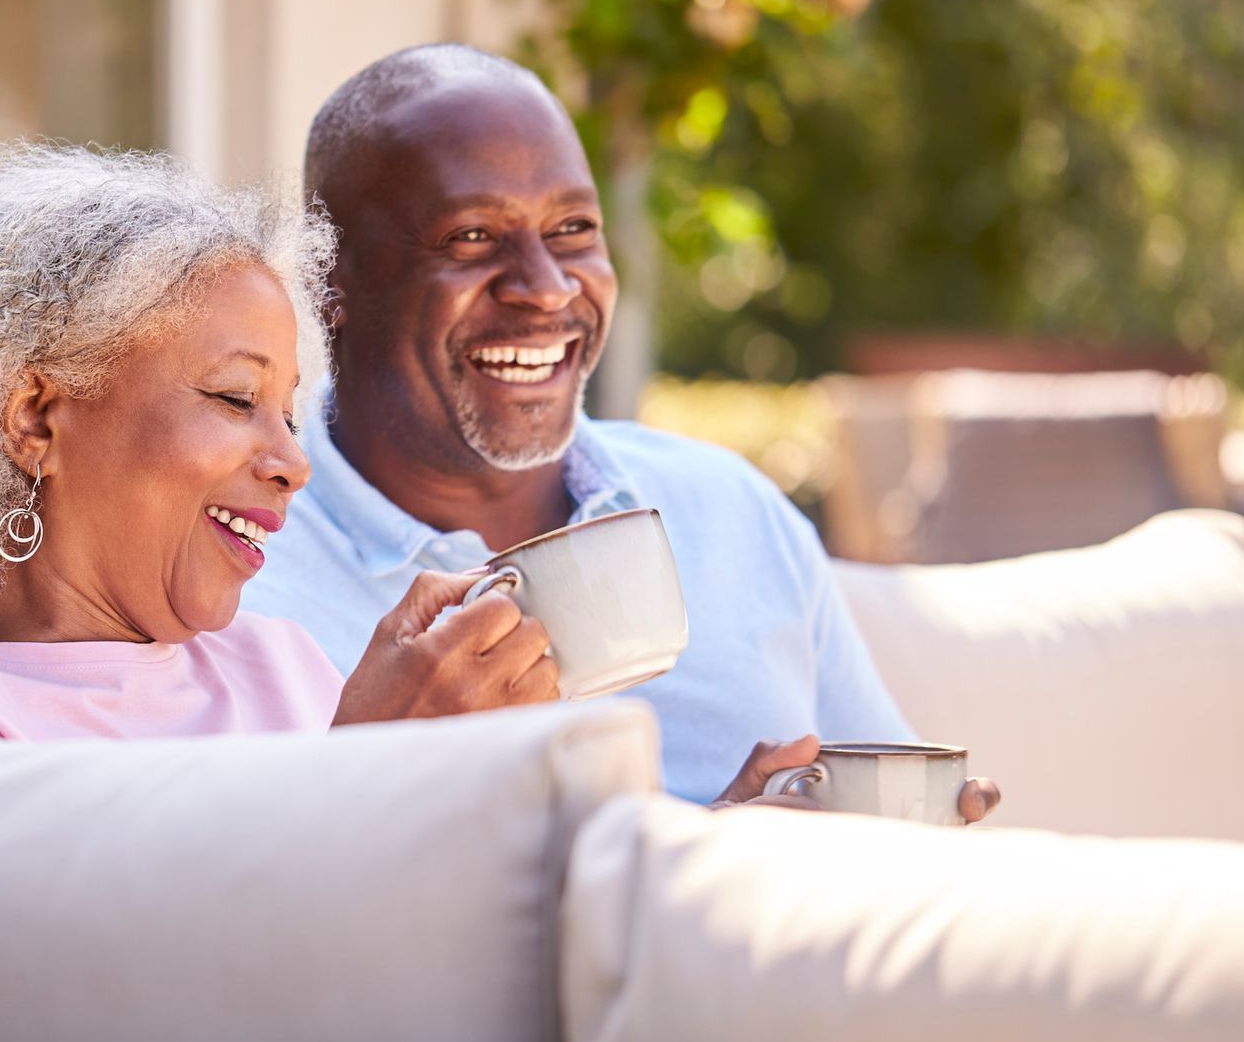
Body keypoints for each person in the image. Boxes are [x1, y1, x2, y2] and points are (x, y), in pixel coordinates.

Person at [241, 45, 998, 817]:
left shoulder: (728, 512)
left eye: (572, 229)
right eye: (472, 237)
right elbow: (218, 922)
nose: (547, 287)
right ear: (330, 281)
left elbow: (898, 820)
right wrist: (369, 770)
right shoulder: (237, 576)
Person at [0, 144, 558, 740]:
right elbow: (100, 973)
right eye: (236, 397)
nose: (295, 464)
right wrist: (371, 765)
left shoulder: (284, 672)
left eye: (289, 413)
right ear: (35, 418)